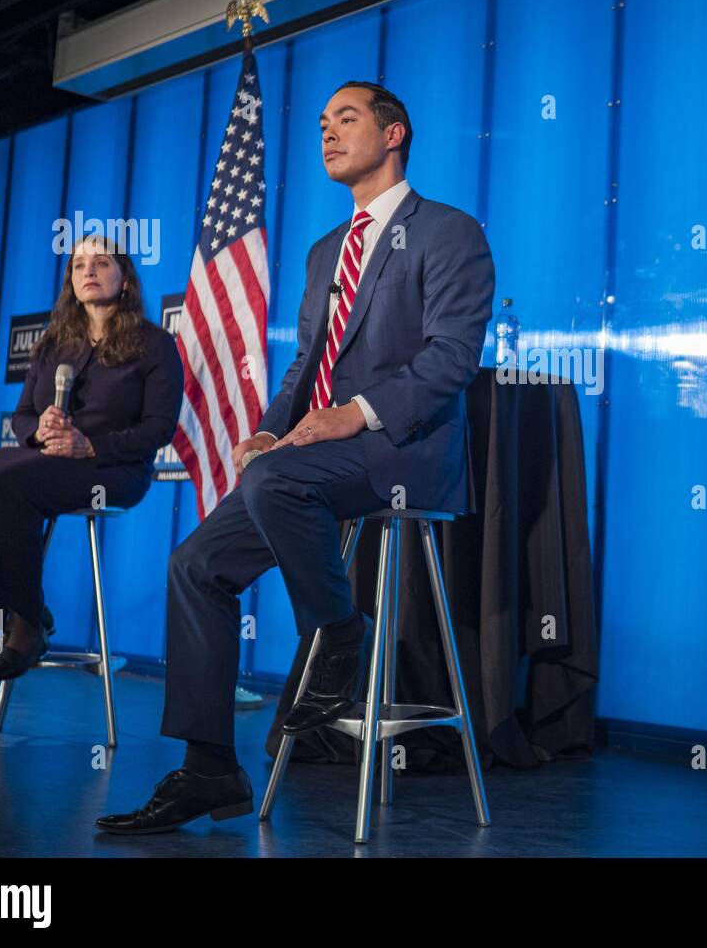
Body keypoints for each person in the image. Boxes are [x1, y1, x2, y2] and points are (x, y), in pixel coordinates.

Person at [95, 80, 495, 834]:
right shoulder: (324, 252)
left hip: (405, 453)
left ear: (395, 133)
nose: (328, 133)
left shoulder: (448, 231)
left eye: (347, 118)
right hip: (312, 461)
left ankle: (340, 636)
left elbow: (452, 359)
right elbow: (301, 371)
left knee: (275, 481)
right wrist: (270, 429)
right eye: (321, 123)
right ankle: (210, 767)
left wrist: (354, 413)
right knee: (195, 563)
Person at [0, 235, 184, 683]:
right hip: (49, 460)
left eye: (100, 263)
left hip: (113, 471)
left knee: (7, 486)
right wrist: (37, 430)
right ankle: (18, 610)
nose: (89, 272)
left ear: (125, 278)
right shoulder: (53, 344)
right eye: (79, 266)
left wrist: (89, 445)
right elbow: (22, 417)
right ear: (70, 281)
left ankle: (27, 627)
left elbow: (159, 429)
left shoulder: (154, 345)